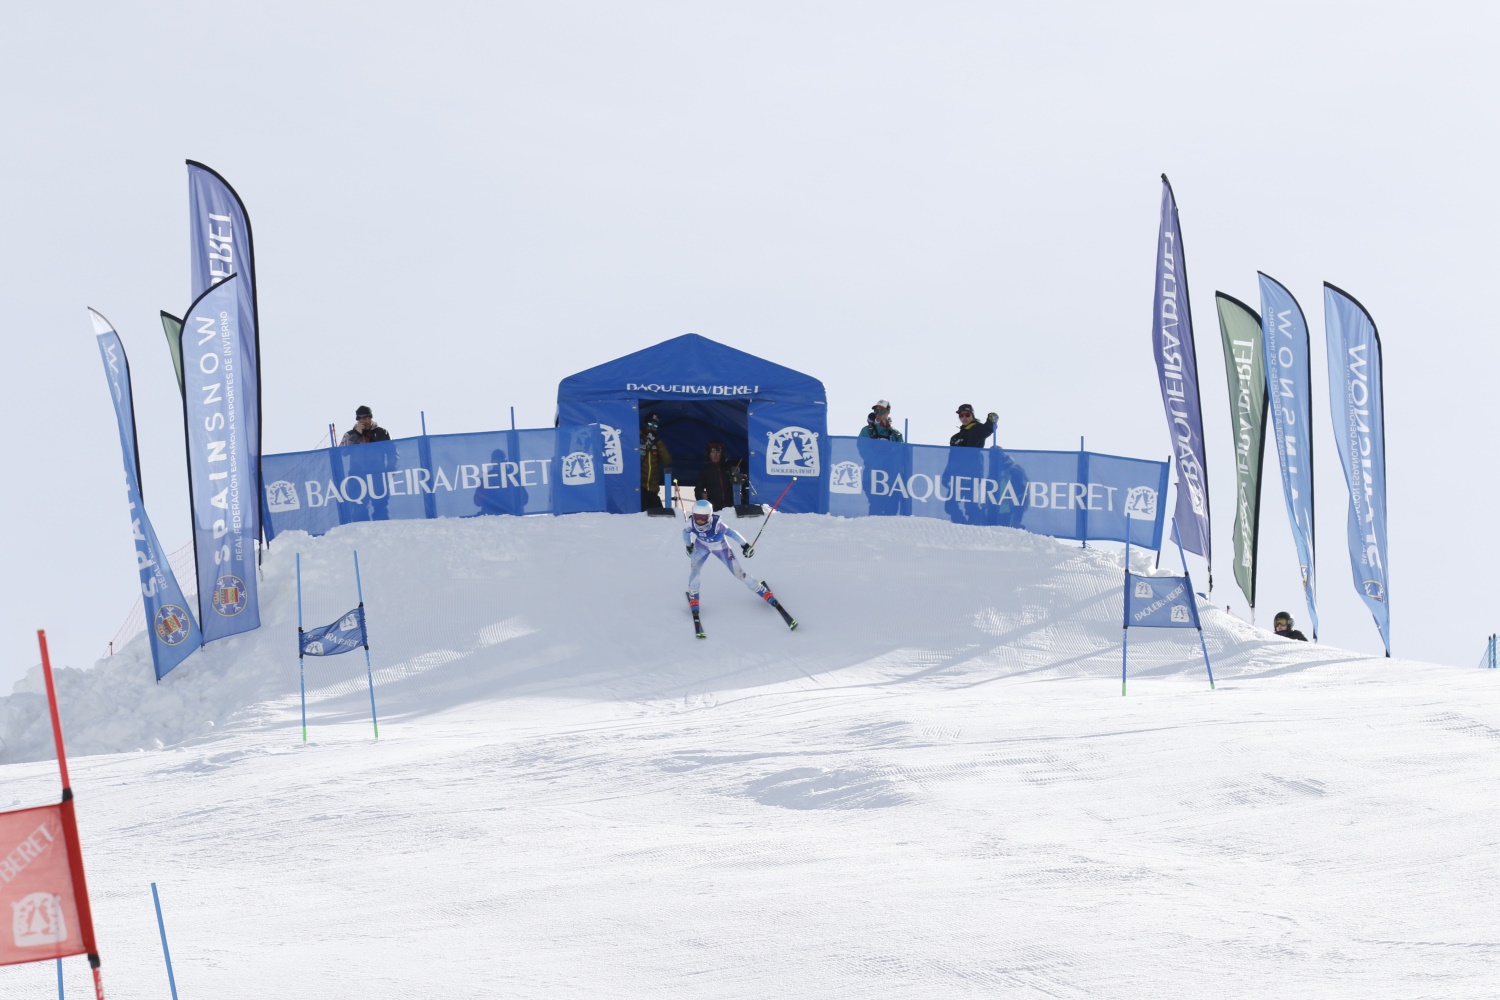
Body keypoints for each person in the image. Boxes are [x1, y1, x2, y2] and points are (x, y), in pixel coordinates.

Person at [683, 499, 781, 610]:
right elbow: (685, 533)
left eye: (704, 517)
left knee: (738, 573)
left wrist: (745, 545)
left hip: (720, 547)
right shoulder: (690, 523)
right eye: (696, 517)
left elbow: (732, 533)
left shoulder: (717, 525)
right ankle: (694, 596)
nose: (699, 521)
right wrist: (689, 546)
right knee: (694, 572)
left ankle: (761, 590)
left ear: (710, 516)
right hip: (701, 547)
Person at [339, 405, 394, 520]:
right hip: (357, 476)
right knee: (359, 506)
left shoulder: (381, 432)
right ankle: (361, 535)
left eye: (368, 418)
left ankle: (383, 532)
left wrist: (390, 470)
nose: (366, 421)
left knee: (380, 506)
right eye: (363, 419)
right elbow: (342, 452)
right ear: (358, 420)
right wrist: (357, 435)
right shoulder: (350, 435)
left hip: (378, 474)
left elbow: (392, 452)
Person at [695, 440, 742, 511]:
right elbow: (698, 489)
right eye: (713, 452)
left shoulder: (730, 468)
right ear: (709, 454)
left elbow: (740, 483)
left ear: (721, 453)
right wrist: (702, 495)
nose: (715, 455)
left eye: (718, 452)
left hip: (731, 509)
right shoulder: (705, 470)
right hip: (714, 509)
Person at [640, 412, 673, 511]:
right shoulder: (637, 437)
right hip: (639, 487)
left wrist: (658, 442)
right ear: (645, 424)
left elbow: (667, 460)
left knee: (658, 516)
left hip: (653, 489)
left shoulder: (658, 442)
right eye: (650, 424)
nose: (652, 428)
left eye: (655, 425)